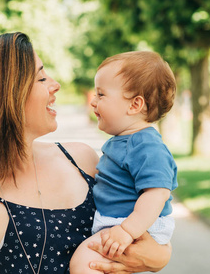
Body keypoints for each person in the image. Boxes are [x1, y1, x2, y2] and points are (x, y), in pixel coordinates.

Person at [0, 33, 172, 274]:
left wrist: (158, 258)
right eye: (41, 78)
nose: (56, 85)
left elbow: (152, 235)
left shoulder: (82, 159)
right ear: (5, 96)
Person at [70, 51, 178, 273]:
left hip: (135, 224)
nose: (92, 101)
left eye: (101, 94)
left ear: (134, 104)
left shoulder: (146, 145)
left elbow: (157, 193)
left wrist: (128, 230)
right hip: (122, 222)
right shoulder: (125, 140)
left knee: (85, 263)